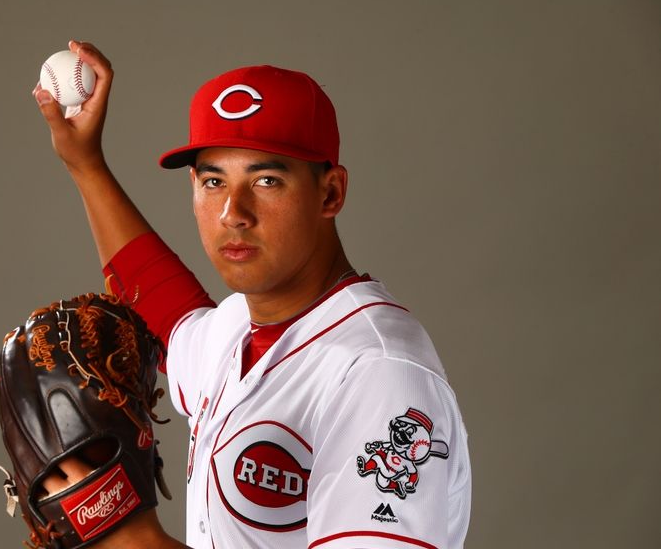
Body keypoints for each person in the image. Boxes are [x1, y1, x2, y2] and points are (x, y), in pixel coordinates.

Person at [31, 40, 471, 549]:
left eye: (266, 179)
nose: (233, 212)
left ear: (330, 193)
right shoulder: (240, 325)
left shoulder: (377, 372)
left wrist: (129, 538)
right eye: (214, 181)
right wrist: (86, 166)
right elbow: (170, 318)